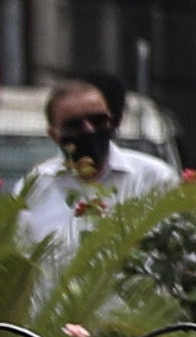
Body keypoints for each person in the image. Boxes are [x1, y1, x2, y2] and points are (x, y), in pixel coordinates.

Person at [17, 79, 169, 249]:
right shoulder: (35, 187)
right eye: (75, 125)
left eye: (98, 120)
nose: (89, 130)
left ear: (111, 120)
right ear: (54, 135)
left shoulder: (154, 177)